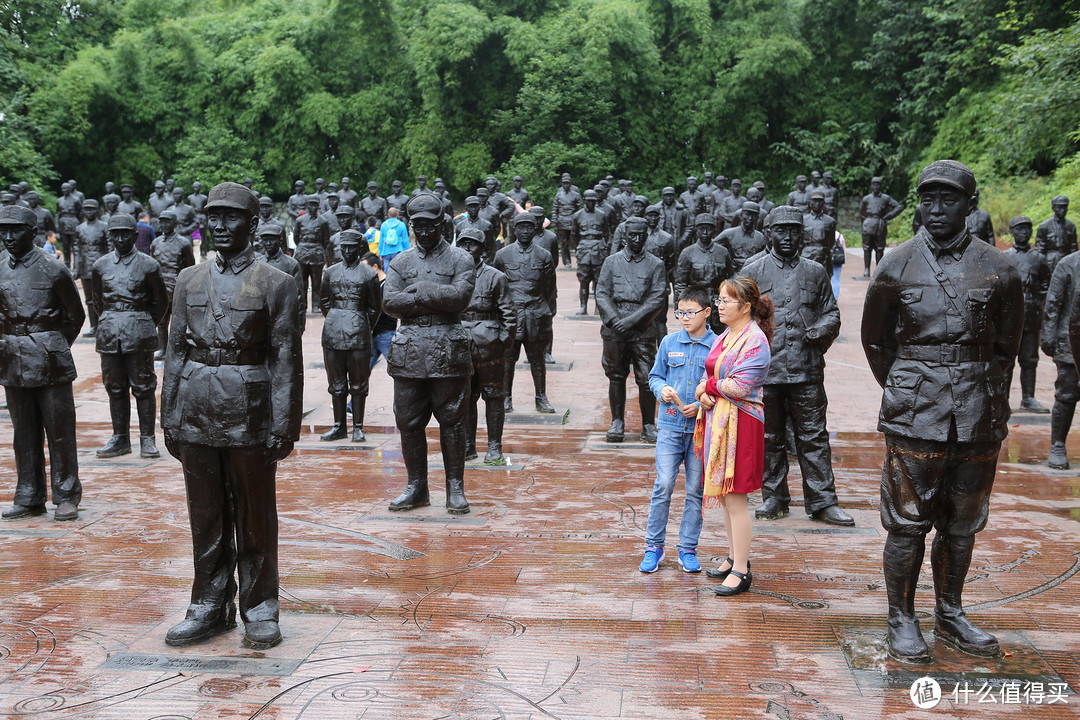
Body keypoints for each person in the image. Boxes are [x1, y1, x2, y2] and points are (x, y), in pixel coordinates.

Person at [862, 159, 1022, 662]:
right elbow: (874, 341)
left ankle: (950, 612)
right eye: (927, 200)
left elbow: (1007, 347)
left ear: (970, 206)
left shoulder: (999, 267)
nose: (935, 210)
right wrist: (910, 386)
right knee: (908, 520)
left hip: (978, 408)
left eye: (947, 200)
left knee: (963, 519)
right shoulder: (896, 264)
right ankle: (901, 617)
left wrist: (983, 393)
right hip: (916, 409)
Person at [161, 182, 303, 650]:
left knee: (255, 514)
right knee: (205, 514)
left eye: (231, 217)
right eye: (213, 217)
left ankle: (260, 608)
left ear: (253, 224)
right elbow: (176, 350)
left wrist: (285, 422)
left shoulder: (277, 283)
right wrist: (169, 414)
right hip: (197, 404)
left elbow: (285, 356)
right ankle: (208, 605)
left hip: (250, 408)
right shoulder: (188, 280)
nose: (220, 226)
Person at [742, 207, 853, 526]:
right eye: (781, 230)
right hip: (766, 371)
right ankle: (773, 496)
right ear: (769, 234)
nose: (788, 237)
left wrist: (820, 330)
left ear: (802, 235)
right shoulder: (752, 271)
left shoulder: (816, 271)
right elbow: (735, 317)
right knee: (769, 437)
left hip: (806, 368)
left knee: (814, 436)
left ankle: (822, 501)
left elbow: (831, 312)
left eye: (794, 231)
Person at [382, 193, 476, 515]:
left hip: (447, 348)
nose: (423, 232)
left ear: (442, 224)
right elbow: (389, 303)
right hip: (409, 351)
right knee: (408, 422)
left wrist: (420, 291)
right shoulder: (400, 261)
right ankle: (416, 486)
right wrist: (434, 296)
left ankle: (454, 488)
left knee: (452, 420)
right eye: (417, 226)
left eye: (429, 226)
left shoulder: (461, 259)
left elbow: (459, 298)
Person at [0, 206, 86, 522]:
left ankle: (66, 495)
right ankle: (28, 495)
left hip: (50, 359)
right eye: (3, 230)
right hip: (12, 358)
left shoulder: (53, 269)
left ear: (33, 231)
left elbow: (75, 316)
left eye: (15, 230)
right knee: (23, 432)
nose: (8, 237)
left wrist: (53, 345)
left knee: (59, 431)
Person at [694, 277, 774, 595]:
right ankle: (734, 557)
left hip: (743, 424)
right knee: (727, 498)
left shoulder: (756, 341)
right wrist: (703, 391)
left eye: (726, 301)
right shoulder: (727, 335)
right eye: (720, 299)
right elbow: (710, 370)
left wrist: (706, 388)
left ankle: (741, 571)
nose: (720, 305)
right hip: (720, 419)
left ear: (746, 306)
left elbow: (738, 387)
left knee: (736, 497)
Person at [640, 288, 718, 573]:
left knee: (696, 489)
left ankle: (687, 548)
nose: (684, 318)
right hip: (670, 426)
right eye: (680, 312)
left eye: (690, 312)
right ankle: (654, 547)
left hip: (700, 429)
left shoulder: (718, 346)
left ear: (707, 312)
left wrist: (701, 406)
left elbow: (720, 386)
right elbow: (654, 376)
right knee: (663, 485)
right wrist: (663, 390)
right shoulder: (669, 343)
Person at [92, 213, 169, 459]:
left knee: (144, 387)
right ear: (110, 236)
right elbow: (97, 301)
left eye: (126, 233)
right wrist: (114, 320)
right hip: (109, 332)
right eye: (116, 234)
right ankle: (120, 438)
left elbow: (161, 302)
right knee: (114, 387)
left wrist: (144, 322)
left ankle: (147, 438)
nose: (121, 238)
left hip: (139, 331)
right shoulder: (100, 265)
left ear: (136, 235)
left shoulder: (149, 265)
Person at [596, 216, 667, 443]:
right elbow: (602, 293)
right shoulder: (611, 261)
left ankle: (648, 424)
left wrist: (631, 321)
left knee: (646, 378)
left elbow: (657, 298)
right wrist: (616, 319)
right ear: (624, 236)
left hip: (643, 328)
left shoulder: (656, 264)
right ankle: (617, 421)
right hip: (614, 327)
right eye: (632, 235)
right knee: (615, 375)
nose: (637, 239)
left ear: (647, 235)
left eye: (641, 235)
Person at [457, 228, 516, 464]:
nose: (467, 249)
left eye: (472, 244)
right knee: (466, 396)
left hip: (489, 344)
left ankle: (494, 446)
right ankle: (469, 445)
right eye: (462, 244)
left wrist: (502, 343)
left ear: (483, 248)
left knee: (493, 396)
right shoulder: (452, 276)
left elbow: (509, 315)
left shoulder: (496, 277)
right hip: (460, 342)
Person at [319, 229, 381, 443]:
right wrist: (337, 319)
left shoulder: (369, 274)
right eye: (344, 247)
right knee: (336, 384)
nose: (347, 251)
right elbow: (324, 302)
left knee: (358, 383)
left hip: (359, 334)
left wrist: (360, 324)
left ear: (359, 248)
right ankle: (338, 426)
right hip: (333, 333)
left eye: (351, 247)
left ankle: (358, 427)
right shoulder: (330, 272)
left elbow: (375, 308)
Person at [495, 213, 558, 414]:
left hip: (535, 315)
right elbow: (497, 289)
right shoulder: (502, 255)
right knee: (508, 360)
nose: (524, 231)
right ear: (514, 229)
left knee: (538, 359)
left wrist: (540, 308)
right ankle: (506, 398)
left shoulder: (544, 255)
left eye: (529, 227)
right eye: (520, 227)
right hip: (511, 318)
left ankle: (541, 397)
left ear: (535, 229)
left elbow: (549, 288)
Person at [1039, 239, 1080, 469]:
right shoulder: (1068, 264)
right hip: (1071, 343)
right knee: (1066, 395)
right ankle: (1057, 444)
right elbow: (1053, 303)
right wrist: (1049, 338)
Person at [1003, 216, 1050, 412]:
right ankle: (1002, 399)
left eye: (1028, 229)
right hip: (1008, 318)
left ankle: (1028, 398)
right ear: (1012, 232)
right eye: (1020, 229)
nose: (1024, 232)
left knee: (1030, 359)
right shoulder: (1004, 257)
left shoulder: (1039, 258)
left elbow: (1046, 286)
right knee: (1005, 359)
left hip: (1031, 315)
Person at [150, 209, 196, 360]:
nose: (164, 225)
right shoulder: (155, 243)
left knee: (180, 322)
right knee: (162, 322)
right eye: (161, 221)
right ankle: (162, 349)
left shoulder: (183, 243)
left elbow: (190, 268)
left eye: (167, 221)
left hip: (177, 287)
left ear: (175, 224)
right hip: (160, 288)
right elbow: (152, 267)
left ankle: (178, 350)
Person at [74, 200, 109, 337]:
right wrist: (76, 268)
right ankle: (94, 326)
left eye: (91, 209)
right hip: (85, 267)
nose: (89, 212)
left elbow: (110, 247)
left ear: (97, 211)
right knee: (89, 299)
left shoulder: (104, 226)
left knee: (103, 297)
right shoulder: (80, 228)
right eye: (86, 210)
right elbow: (77, 249)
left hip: (101, 265)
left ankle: (103, 324)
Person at [859, 177, 904, 277]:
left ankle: (878, 269)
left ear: (880, 186)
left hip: (880, 224)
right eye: (874, 184)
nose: (875, 187)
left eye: (877, 184)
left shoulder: (885, 198)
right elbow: (862, 213)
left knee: (879, 248)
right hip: (868, 224)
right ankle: (867, 269)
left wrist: (888, 216)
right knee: (867, 248)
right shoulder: (866, 199)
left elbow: (899, 207)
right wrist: (864, 225)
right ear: (871, 186)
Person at [293, 194, 330, 312]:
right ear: (307, 205)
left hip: (317, 253)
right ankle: (302, 305)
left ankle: (316, 305)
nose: (313, 207)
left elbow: (326, 239)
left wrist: (317, 248)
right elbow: (296, 237)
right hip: (302, 252)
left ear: (318, 206)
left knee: (317, 282)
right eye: (311, 205)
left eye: (315, 205)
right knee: (301, 282)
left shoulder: (323, 221)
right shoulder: (299, 220)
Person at [363, 252, 396, 369]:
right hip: (375, 334)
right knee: (363, 372)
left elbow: (381, 309)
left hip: (385, 334)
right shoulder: (375, 284)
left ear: (375, 267)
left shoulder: (387, 285)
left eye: (365, 268)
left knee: (398, 369)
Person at [1036, 195, 1076, 276]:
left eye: (1065, 207)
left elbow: (1073, 247)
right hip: (1050, 261)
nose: (1063, 210)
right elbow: (1040, 250)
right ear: (1053, 208)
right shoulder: (1044, 226)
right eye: (1059, 207)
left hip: (1067, 258)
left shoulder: (1071, 226)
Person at [378, 206, 409, 272]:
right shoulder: (401, 225)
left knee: (386, 270)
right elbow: (405, 240)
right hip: (398, 251)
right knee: (398, 271)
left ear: (388, 215)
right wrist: (407, 252)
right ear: (397, 214)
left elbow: (381, 240)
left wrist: (380, 252)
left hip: (386, 251)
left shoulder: (384, 225)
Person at [831, 231, 846, 299]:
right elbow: (843, 248)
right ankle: (835, 297)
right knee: (836, 279)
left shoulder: (826, 233)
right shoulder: (840, 235)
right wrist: (844, 258)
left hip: (828, 259)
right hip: (838, 259)